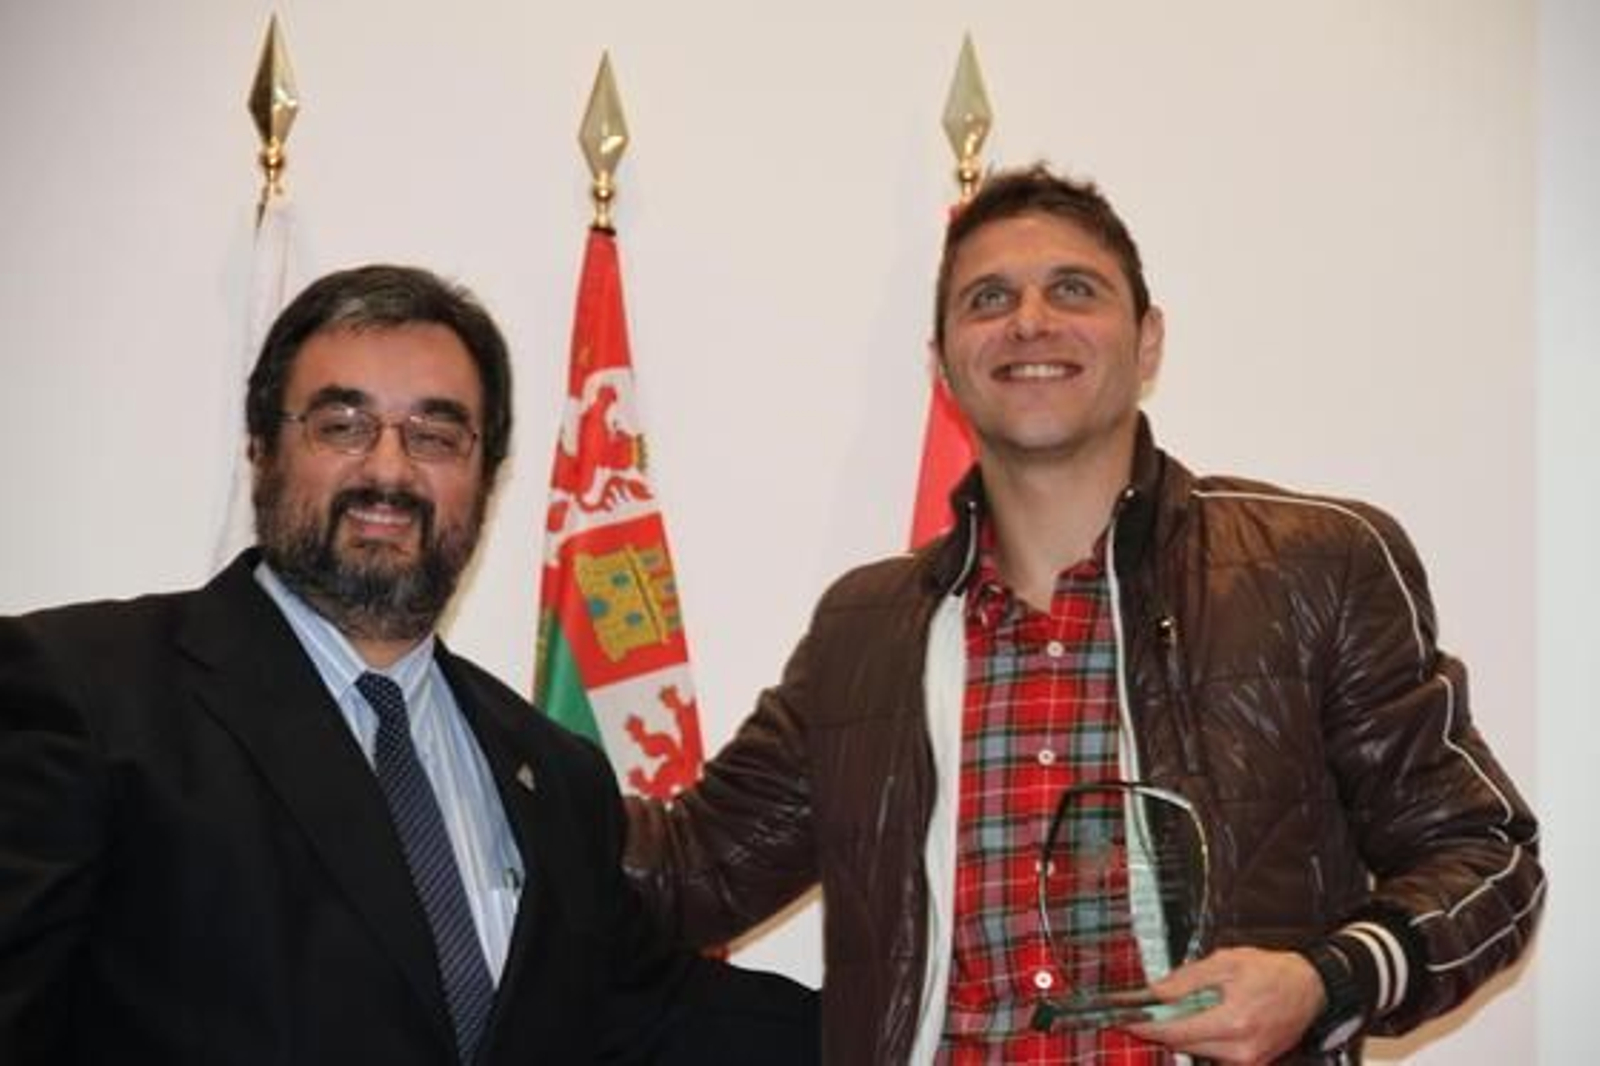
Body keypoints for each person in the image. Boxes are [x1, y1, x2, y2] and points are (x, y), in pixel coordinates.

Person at [625, 166, 1544, 1064]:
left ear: (1148, 343)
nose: (1029, 320)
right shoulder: (864, 630)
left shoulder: (1315, 567)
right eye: (988, 298)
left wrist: (1323, 982)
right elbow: (687, 873)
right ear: (942, 363)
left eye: (1073, 289)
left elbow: (1486, 857)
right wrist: (530, 761)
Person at [0, 264, 816, 1065]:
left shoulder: (558, 777)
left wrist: (902, 1020)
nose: (388, 471)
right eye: (342, 425)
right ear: (261, 449)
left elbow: (650, 1015)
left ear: (486, 478)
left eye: (434, 436)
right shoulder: (84, 693)